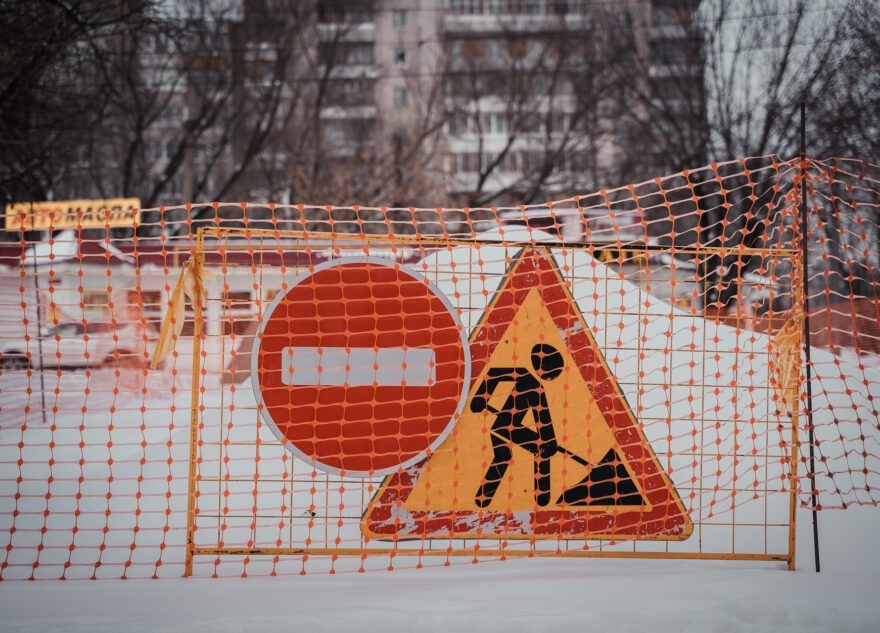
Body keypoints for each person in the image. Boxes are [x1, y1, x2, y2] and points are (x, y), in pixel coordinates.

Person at [470, 343, 563, 508]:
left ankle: (483, 499)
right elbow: (493, 374)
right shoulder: (527, 379)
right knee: (536, 450)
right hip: (504, 427)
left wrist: (550, 440)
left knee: (505, 456)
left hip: (504, 428)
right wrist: (481, 397)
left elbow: (542, 419)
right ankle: (542, 499)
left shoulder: (536, 387)